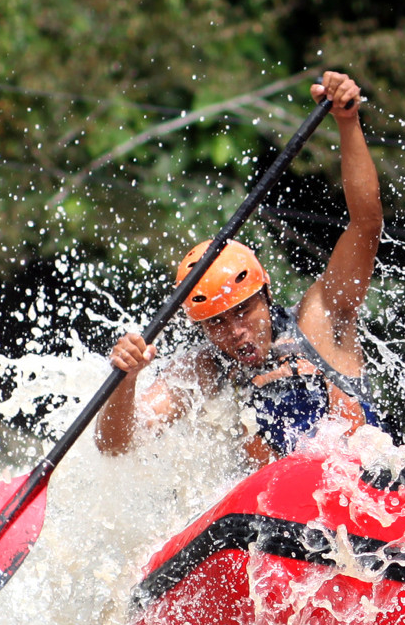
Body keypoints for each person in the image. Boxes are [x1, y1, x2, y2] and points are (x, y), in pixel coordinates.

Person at [95, 71, 384, 465]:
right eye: (217, 322)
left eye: (244, 310)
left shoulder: (320, 317)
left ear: (266, 293)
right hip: (280, 503)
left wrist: (347, 122)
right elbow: (116, 446)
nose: (235, 332)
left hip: (367, 485)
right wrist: (125, 382)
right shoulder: (202, 371)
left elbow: (366, 224)